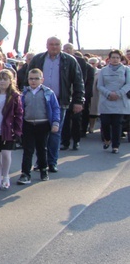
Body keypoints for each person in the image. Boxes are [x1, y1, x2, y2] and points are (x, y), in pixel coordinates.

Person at [28, 37, 84, 173]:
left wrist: (78, 101)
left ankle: (52, 162)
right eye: (51, 44)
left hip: (60, 102)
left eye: (57, 44)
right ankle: (40, 162)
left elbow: (78, 81)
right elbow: (27, 78)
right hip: (39, 101)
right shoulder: (38, 59)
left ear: (61, 46)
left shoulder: (69, 60)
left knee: (55, 132)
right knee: (40, 133)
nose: (54, 47)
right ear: (46, 45)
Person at [18, 68, 60, 184]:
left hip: (43, 123)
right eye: (31, 79)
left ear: (42, 80)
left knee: (42, 149)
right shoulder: (24, 93)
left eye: (36, 79)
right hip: (28, 124)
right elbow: (20, 109)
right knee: (28, 150)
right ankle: (25, 173)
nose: (33, 81)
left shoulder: (48, 92)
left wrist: (55, 123)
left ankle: (43, 169)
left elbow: (56, 108)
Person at [97, 49, 130, 154]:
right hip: (106, 100)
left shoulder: (126, 70)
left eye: (117, 57)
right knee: (105, 122)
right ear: (109, 59)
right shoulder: (103, 70)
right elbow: (99, 85)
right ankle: (107, 139)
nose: (115, 60)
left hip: (120, 100)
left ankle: (116, 145)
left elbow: (128, 84)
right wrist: (109, 93)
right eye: (113, 57)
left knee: (117, 124)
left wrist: (118, 94)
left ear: (120, 59)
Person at [60, 43, 91, 150]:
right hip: (64, 94)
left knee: (76, 118)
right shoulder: (60, 59)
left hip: (76, 94)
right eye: (65, 49)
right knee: (65, 119)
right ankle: (65, 142)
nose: (67, 50)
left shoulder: (80, 61)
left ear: (73, 50)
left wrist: (79, 96)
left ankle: (76, 141)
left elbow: (82, 79)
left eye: (69, 49)